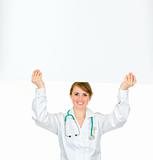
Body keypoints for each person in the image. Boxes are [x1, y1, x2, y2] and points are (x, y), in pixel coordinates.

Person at [31, 69, 136, 160]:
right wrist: (40, 87)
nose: (80, 99)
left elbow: (119, 118)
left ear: (89, 97)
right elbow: (40, 118)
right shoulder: (61, 120)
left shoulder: (97, 120)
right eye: (76, 94)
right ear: (71, 96)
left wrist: (124, 89)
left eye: (84, 94)